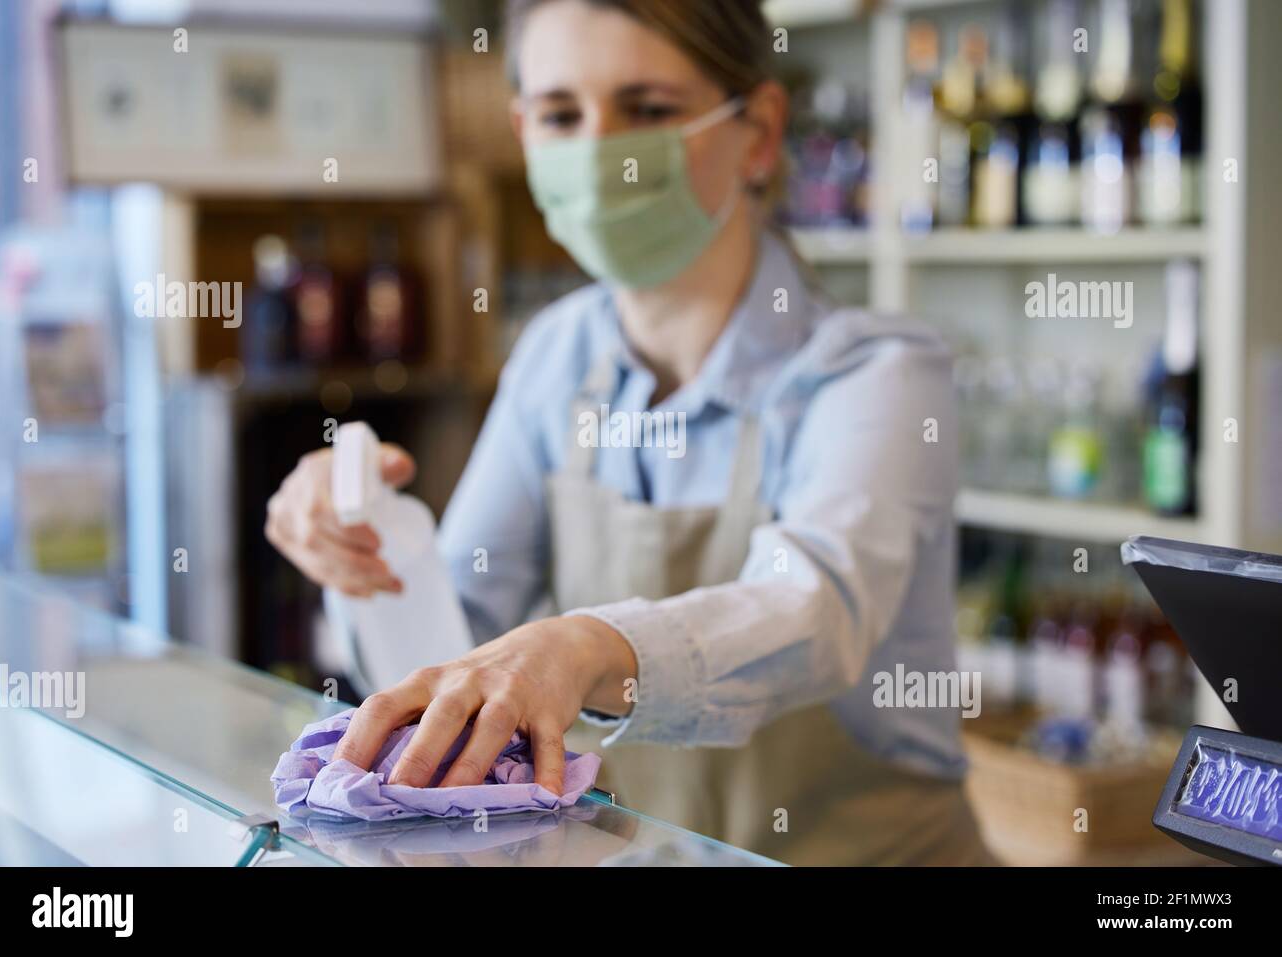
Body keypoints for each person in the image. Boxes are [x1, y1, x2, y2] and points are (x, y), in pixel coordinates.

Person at [266, 0, 990, 865]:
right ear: (522, 132)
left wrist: (581, 646)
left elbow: (817, 610)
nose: (599, 151)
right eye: (562, 114)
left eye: (647, 110)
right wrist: (368, 542)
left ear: (757, 132)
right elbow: (452, 651)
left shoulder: (880, 371)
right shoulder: (554, 356)